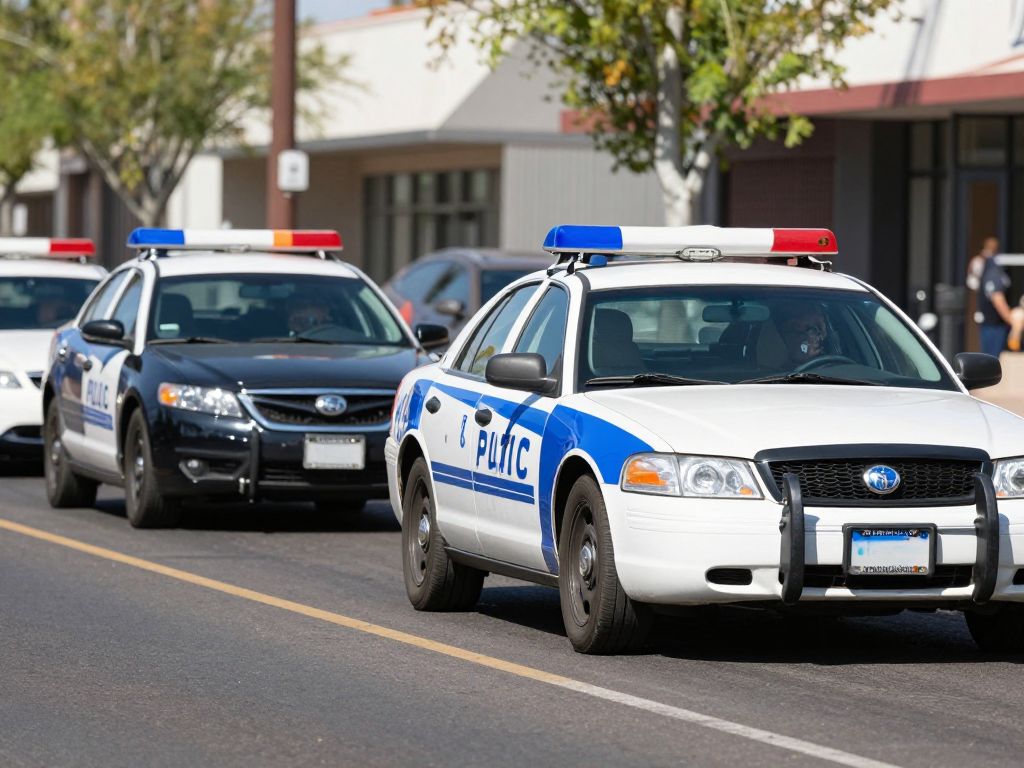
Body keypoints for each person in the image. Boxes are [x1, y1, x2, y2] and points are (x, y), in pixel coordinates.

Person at [974, 237, 1013, 358]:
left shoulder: (989, 269)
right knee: (992, 360)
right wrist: (1012, 320)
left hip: (992, 324)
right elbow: (997, 299)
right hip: (994, 326)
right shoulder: (993, 271)